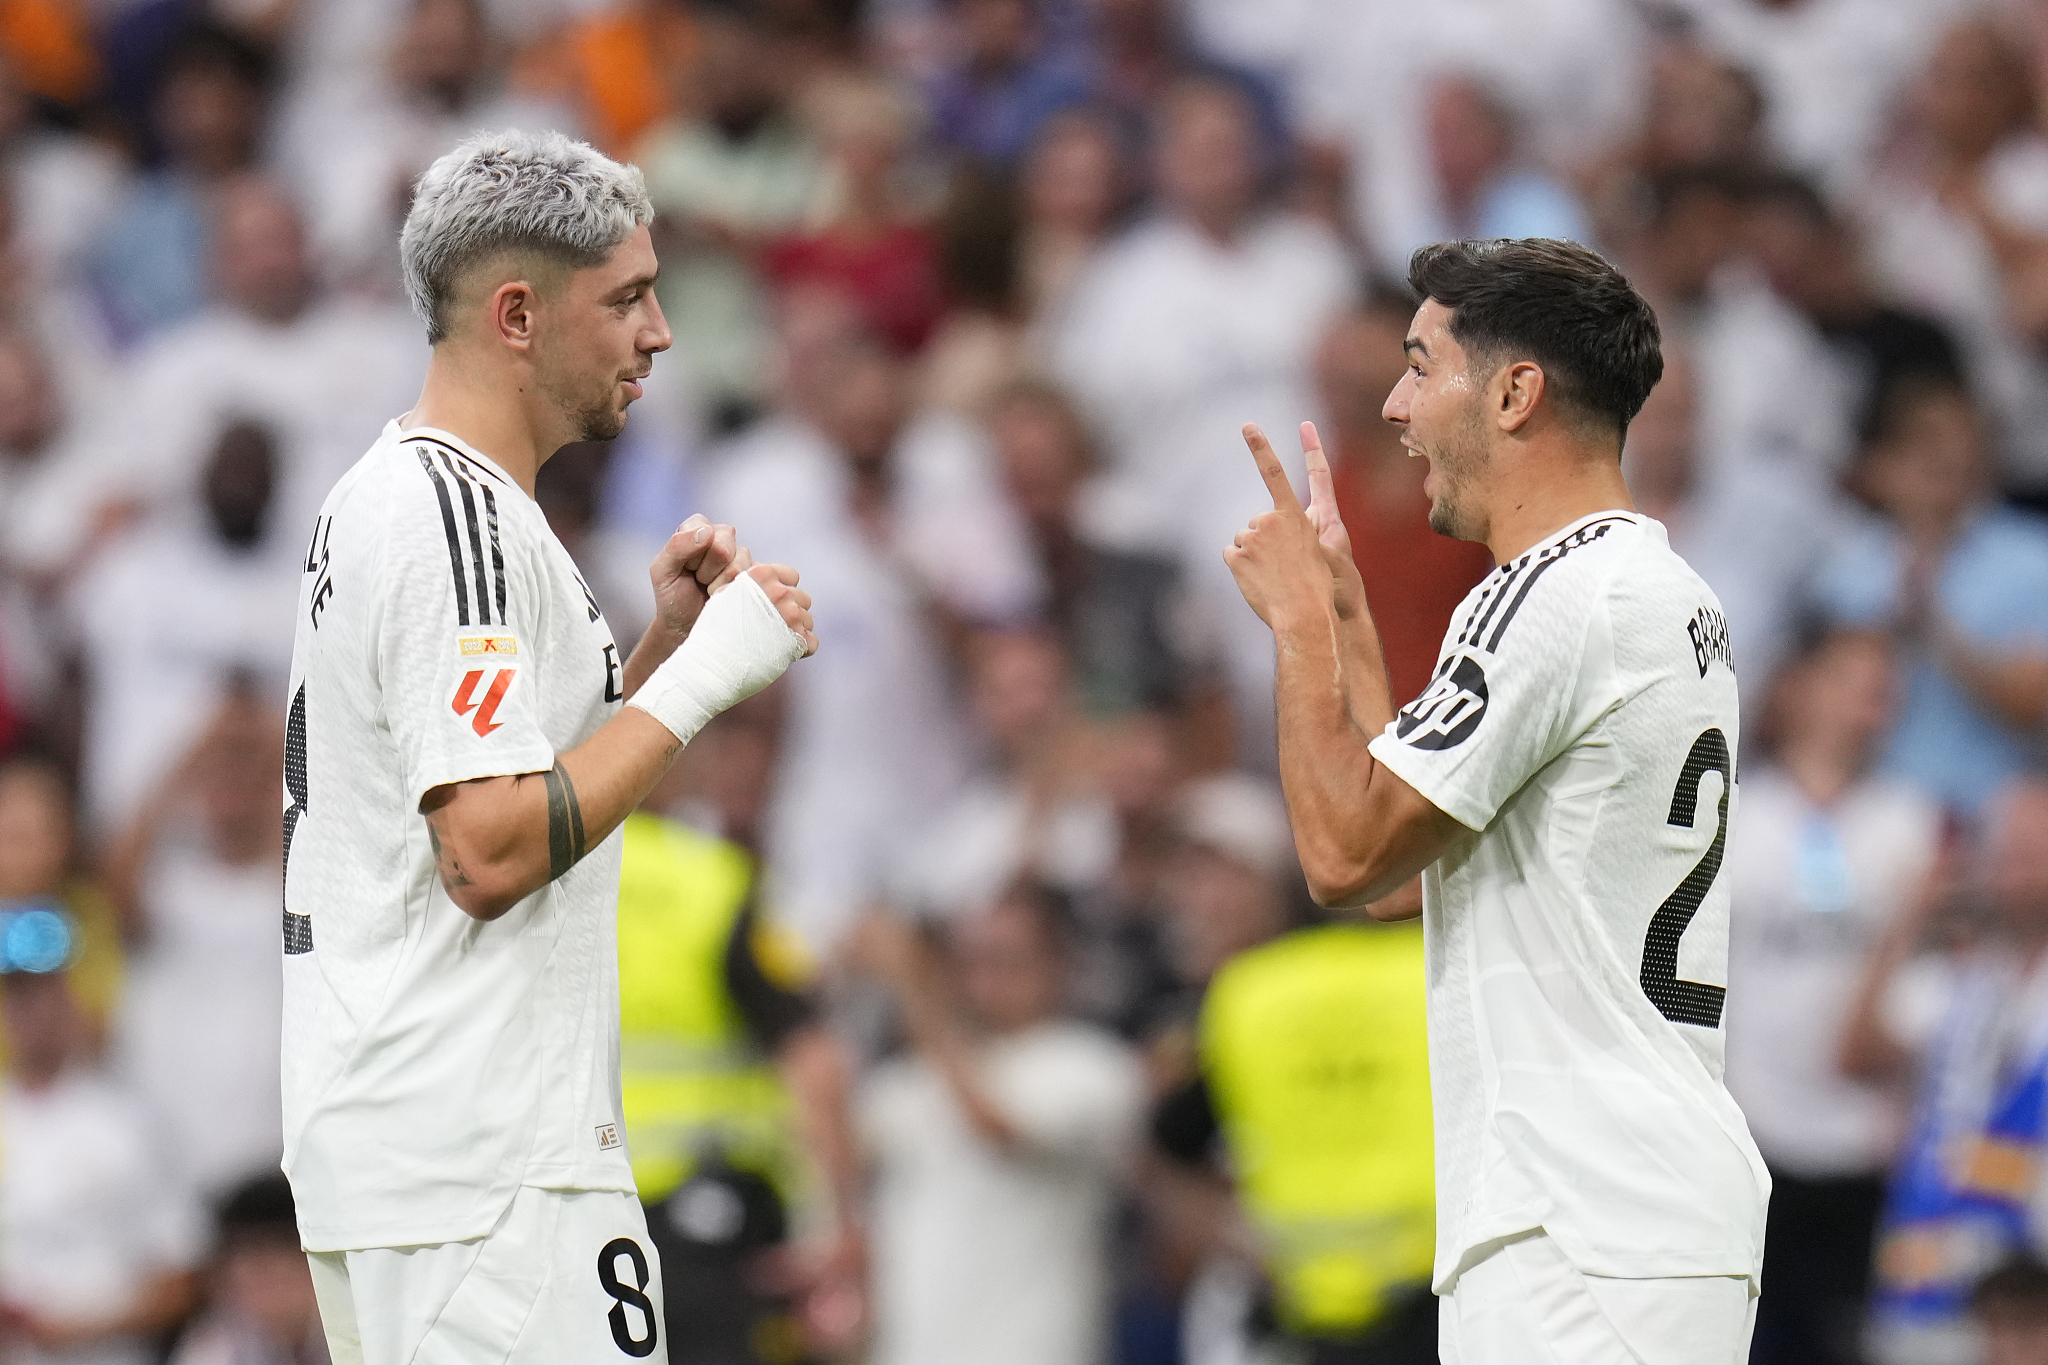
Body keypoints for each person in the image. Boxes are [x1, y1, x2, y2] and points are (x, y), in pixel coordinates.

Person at [279, 129, 817, 1365]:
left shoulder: (394, 495)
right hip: (490, 1166)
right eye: (626, 296)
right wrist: (712, 684)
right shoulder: (453, 519)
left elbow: (486, 792)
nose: (661, 332)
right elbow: (490, 848)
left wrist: (661, 656)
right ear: (517, 315)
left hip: (409, 1152)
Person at [1222, 237, 1767, 1358]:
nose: (1392, 403)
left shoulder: (1553, 595)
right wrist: (1342, 622)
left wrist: (1290, 634)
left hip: (1584, 1222)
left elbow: (1336, 858)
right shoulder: (1649, 587)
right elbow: (1391, 883)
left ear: (1515, 393)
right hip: (1617, 1214)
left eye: (1421, 365)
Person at [1722, 628, 1941, 1365]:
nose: (1869, 705)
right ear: (1799, 687)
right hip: (1755, 1144)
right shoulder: (1735, 816)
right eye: (1852, 682)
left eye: (1882, 690)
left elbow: (1931, 990)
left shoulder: (1911, 825)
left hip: (1867, 1145)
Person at [613, 801, 865, 1365]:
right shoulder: (709, 879)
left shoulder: (503, 874)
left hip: (559, 1210)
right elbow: (813, 1060)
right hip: (707, 1214)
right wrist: (840, 1227)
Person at [851, 888, 1146, 1365]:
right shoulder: (909, 1079)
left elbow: (996, 1129)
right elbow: (839, 1163)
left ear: (1060, 963)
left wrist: (912, 984)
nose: (984, 980)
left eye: (1005, 958)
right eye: (969, 961)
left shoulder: (1093, 1066)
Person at [0, 944, 206, 1365]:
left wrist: (80, 1326)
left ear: (72, 1000)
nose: (29, 1014)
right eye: (15, 997)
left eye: (43, 994)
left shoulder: (128, 1122)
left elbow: (182, 1278)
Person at [169, 1175, 331, 1365]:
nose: (274, 1275)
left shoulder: (363, 1328)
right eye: (255, 1261)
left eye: (285, 1250)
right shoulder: (210, 1350)